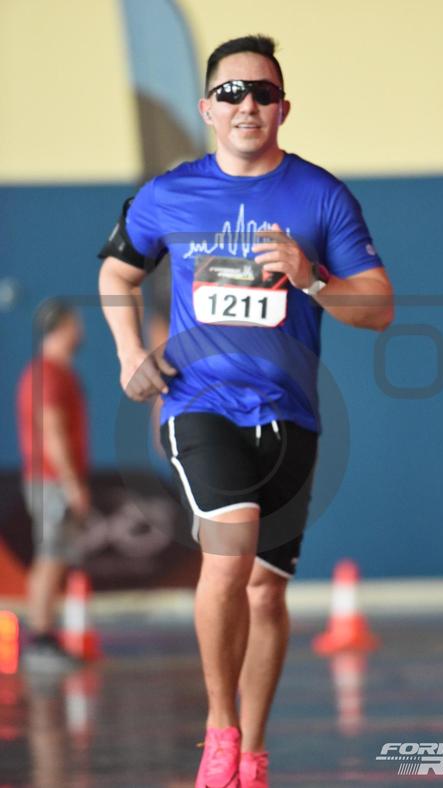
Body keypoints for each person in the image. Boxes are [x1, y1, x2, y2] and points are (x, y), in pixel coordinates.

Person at [98, 34, 394, 788]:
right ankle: (219, 728)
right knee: (229, 553)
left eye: (262, 93)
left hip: (290, 417)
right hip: (200, 403)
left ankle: (252, 755)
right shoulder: (170, 194)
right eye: (231, 93)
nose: (247, 105)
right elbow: (116, 272)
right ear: (207, 109)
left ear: (283, 108)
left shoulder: (320, 196)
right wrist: (130, 353)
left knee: (266, 590)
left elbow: (379, 307)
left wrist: (313, 277)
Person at [17, 299, 89, 672]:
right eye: (76, 323)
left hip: (51, 480)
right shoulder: (46, 373)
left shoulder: (57, 372)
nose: (81, 331)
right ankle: (40, 640)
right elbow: (52, 432)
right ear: (62, 327)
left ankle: (44, 637)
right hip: (51, 481)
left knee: (55, 557)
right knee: (50, 557)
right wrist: (71, 483)